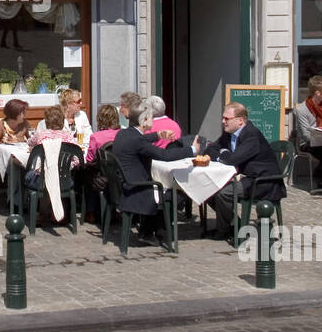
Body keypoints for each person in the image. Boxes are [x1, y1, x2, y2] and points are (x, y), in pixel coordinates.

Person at [110, 92, 200, 248]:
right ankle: (149, 231)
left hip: (124, 186)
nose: (153, 120)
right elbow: (164, 155)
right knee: (178, 193)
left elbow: (140, 139)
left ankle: (150, 229)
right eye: (151, 118)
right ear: (144, 120)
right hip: (137, 189)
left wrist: (158, 135)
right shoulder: (137, 140)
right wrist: (192, 150)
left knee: (165, 188)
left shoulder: (123, 134)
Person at [209, 102, 284, 241]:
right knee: (208, 189)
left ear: (240, 121)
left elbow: (232, 160)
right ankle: (234, 225)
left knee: (223, 193)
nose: (223, 121)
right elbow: (211, 148)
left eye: (227, 119)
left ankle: (225, 230)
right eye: (223, 118)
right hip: (248, 177)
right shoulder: (229, 133)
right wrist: (223, 153)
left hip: (263, 181)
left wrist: (223, 153)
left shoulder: (251, 135)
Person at [295, 76, 322, 190]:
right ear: (318, 93)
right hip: (308, 143)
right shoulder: (302, 109)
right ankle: (321, 177)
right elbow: (305, 134)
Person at [81, 104, 121, 223]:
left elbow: (89, 159)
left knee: (86, 175)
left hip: (101, 177)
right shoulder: (123, 135)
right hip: (120, 176)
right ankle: (114, 211)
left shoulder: (96, 137)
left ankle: (90, 212)